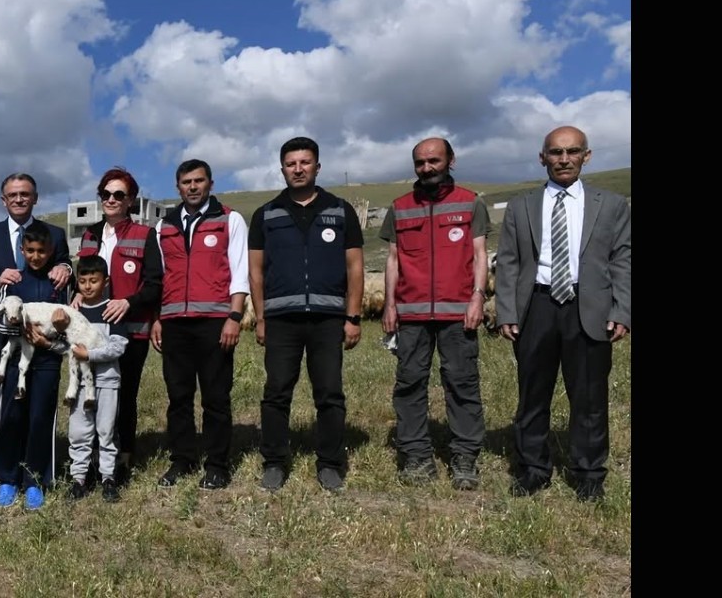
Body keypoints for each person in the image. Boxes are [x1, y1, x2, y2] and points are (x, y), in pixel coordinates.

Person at [495, 126, 630, 502]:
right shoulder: (521, 206)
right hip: (535, 306)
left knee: (589, 397)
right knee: (532, 395)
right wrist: (506, 310)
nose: (564, 159)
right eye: (555, 152)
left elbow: (623, 261)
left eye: (572, 152)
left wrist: (623, 309)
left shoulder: (612, 205)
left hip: (589, 308)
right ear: (543, 158)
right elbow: (507, 262)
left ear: (587, 156)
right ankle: (533, 469)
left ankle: (588, 474)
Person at [248, 137, 364, 493]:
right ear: (282, 168)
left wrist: (353, 317)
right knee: (276, 392)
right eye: (291, 163)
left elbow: (356, 266)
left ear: (317, 166)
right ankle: (274, 462)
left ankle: (330, 463)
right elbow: (255, 271)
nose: (298, 169)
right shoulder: (265, 214)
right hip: (281, 320)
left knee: (329, 392)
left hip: (329, 319)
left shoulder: (340, 210)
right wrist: (262, 318)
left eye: (305, 162)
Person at [380, 138, 488, 490]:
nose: (427, 168)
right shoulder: (399, 207)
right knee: (409, 384)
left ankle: (464, 456)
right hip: (410, 315)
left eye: (434, 161)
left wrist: (477, 298)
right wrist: (389, 305)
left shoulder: (470, 203)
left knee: (462, 383)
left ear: (450, 161)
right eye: (420, 162)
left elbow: (480, 254)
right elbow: (393, 260)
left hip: (458, 312)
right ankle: (416, 455)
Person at [0, 173, 71, 496]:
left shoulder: (54, 234)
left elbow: (65, 275)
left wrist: (66, 267)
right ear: (3, 200)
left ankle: (33, 472)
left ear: (35, 197)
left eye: (25, 194)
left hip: (42, 342)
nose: (19, 199)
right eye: (13, 194)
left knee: (36, 409)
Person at [151, 159, 249, 490]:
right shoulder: (162, 227)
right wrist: (157, 320)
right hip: (174, 323)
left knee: (215, 397)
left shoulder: (229, 219)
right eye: (186, 182)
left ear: (210, 183)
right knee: (178, 397)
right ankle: (182, 459)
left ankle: (217, 464)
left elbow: (240, 273)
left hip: (215, 323)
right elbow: (159, 279)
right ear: (177, 187)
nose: (192, 187)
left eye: (199, 181)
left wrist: (234, 317)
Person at [74, 167, 162, 485]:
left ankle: (121, 460)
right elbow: (82, 277)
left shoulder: (144, 235)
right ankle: (92, 459)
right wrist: (74, 293)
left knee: (124, 395)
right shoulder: (89, 235)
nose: (111, 199)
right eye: (106, 194)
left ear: (130, 200)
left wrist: (130, 302)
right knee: (90, 393)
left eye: (118, 195)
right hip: (91, 330)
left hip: (130, 329)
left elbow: (154, 284)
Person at [0, 222, 71, 510]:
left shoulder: (60, 284)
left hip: (47, 362)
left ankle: (36, 480)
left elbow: (67, 326)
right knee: (11, 418)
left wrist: (52, 340)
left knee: (40, 420)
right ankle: (7, 479)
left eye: (42, 251)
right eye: (31, 251)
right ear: (22, 250)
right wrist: (20, 331)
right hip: (14, 364)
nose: (36, 256)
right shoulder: (13, 281)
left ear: (51, 251)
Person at [66, 255, 130, 503]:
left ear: (106, 281)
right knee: (79, 431)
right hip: (80, 386)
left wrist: (89, 354)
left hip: (107, 382)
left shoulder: (111, 311)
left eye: (94, 280)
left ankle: (108, 478)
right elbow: (66, 344)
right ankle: (79, 478)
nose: (88, 286)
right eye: (82, 281)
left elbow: (118, 347)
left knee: (106, 430)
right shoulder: (74, 313)